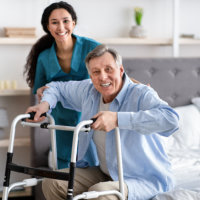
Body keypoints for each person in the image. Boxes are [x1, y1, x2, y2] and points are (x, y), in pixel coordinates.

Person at [26, 45, 179, 200]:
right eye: (96, 72)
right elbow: (56, 87)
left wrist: (118, 119)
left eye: (108, 69)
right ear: (91, 76)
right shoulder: (88, 91)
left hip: (142, 179)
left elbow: (171, 120)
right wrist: (44, 104)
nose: (103, 77)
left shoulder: (141, 94)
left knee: (100, 192)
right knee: (53, 182)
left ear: (120, 70)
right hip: (105, 172)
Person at [24, 1, 101, 169]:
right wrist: (40, 92)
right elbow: (38, 88)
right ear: (48, 27)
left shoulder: (93, 48)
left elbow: (114, 75)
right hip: (61, 121)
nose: (61, 27)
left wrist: (134, 86)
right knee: (65, 174)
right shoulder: (44, 57)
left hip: (91, 117)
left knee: (94, 166)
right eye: (54, 22)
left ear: (73, 23)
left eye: (65, 21)